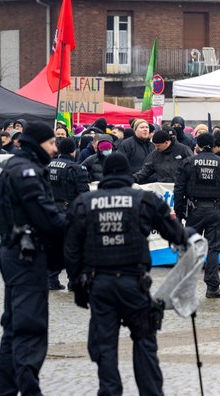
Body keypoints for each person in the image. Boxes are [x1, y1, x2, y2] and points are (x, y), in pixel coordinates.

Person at [65, 153, 189, 396]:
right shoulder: (144, 200)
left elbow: (71, 249)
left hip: (99, 285)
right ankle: (151, 392)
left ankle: (110, 391)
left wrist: (77, 285)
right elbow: (175, 233)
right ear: (126, 174)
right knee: (144, 341)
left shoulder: (83, 202)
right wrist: (191, 235)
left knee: (105, 346)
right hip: (134, 285)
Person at [0, 121, 66, 396]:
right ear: (37, 144)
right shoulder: (27, 171)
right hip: (26, 255)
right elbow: (46, 217)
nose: (55, 149)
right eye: (51, 143)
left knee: (13, 327)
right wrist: (75, 224)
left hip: (13, 252)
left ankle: (5, 390)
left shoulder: (9, 166)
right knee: (29, 329)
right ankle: (29, 390)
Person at [174, 132, 220, 298]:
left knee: (190, 248)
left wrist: (179, 215)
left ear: (198, 145)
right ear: (213, 144)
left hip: (194, 211)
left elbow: (178, 190)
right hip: (215, 210)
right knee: (213, 248)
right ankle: (213, 287)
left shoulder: (188, 162)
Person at [47, 137, 89, 290]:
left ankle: (51, 280)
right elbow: (84, 194)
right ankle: (74, 281)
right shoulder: (77, 168)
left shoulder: (48, 165)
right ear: (73, 150)